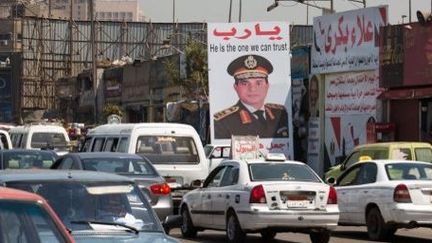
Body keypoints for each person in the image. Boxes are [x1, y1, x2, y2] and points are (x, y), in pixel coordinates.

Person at [213, 54, 289, 139]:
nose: (252, 89)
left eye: (259, 83)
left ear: (267, 86)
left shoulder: (280, 113)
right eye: (245, 83)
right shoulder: (223, 122)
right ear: (236, 87)